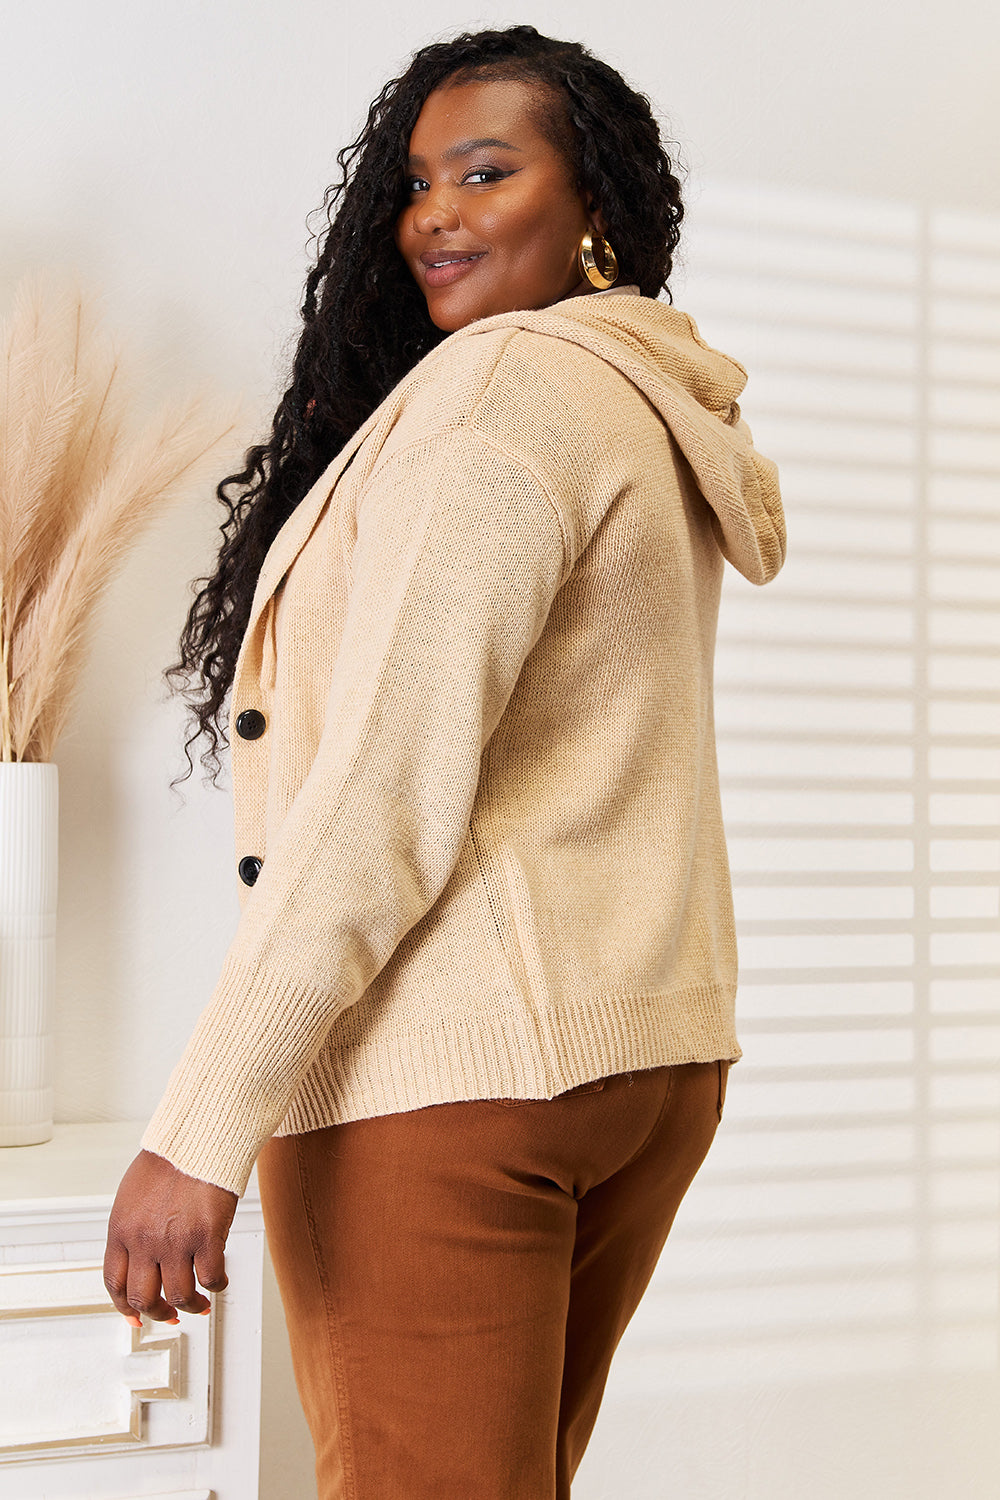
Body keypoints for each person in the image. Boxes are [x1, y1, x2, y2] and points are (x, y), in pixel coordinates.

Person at [104, 24, 784, 1499]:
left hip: (451, 1077)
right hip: (640, 1056)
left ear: (593, 204)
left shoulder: (500, 397)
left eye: (488, 171)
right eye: (417, 182)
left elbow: (382, 794)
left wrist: (196, 1130)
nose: (436, 215)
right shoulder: (643, 400)